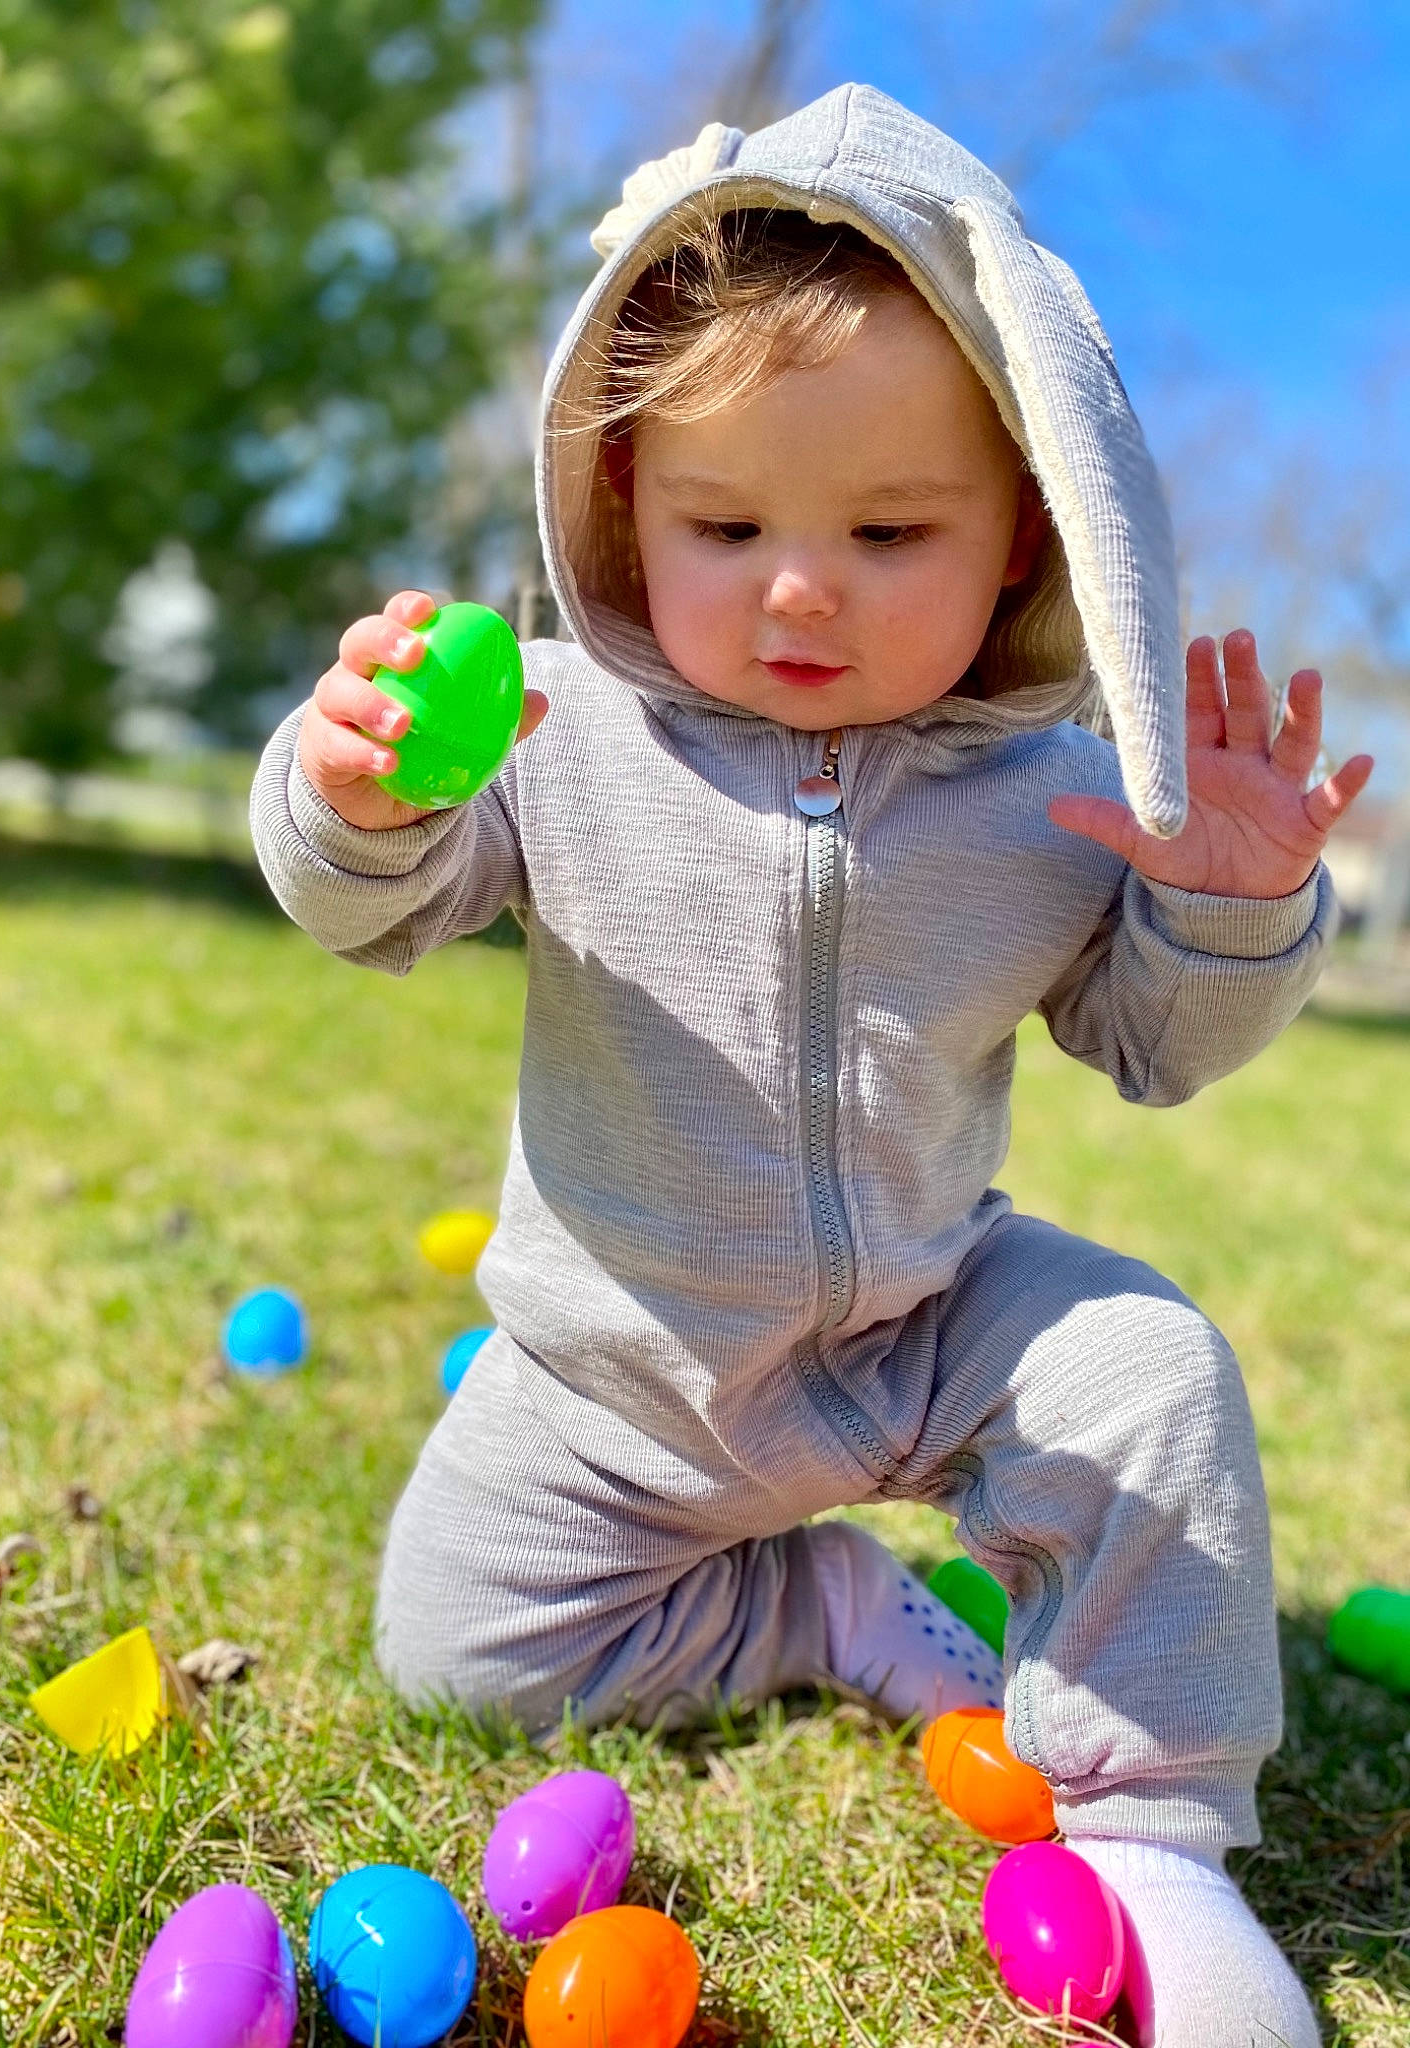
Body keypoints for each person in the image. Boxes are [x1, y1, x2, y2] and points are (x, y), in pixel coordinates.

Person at [251, 85, 1371, 2048]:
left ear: (1023, 526)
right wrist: (350, 793)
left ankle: (1157, 1848)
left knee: (1149, 1370)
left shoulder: (1057, 793)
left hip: (929, 1325)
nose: (796, 586)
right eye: (725, 522)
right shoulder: (553, 727)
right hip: (625, 1374)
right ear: (617, 508)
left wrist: (1228, 904)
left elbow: (1157, 1047)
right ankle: (820, 1605)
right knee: (449, 1654)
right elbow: (377, 906)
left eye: (885, 529)